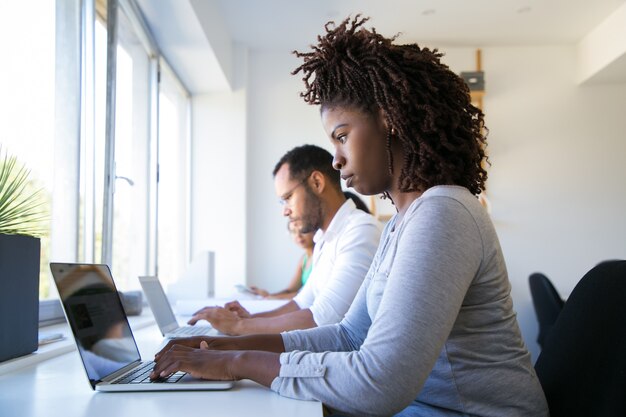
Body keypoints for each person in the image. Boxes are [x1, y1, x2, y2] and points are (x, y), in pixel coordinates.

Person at [151, 16, 549, 416]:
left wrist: (238, 364)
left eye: (342, 136)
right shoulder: (401, 224)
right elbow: (350, 334)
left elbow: (380, 383)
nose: (336, 159)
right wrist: (226, 347)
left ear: (389, 120)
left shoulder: (444, 213)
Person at [187, 144, 382, 335]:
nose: (285, 211)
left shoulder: (360, 230)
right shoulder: (326, 238)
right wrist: (248, 320)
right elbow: (301, 303)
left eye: (288, 197)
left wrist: (238, 327)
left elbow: (323, 318)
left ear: (317, 182)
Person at [249, 221, 314, 299]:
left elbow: (309, 295)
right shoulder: (304, 259)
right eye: (293, 232)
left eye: (303, 231)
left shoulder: (320, 256)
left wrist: (272, 298)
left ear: (314, 231)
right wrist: (268, 295)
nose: (298, 236)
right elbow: (290, 290)